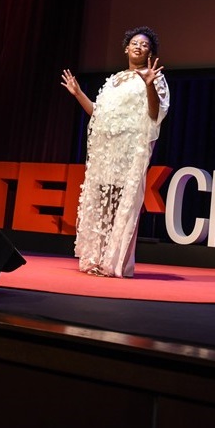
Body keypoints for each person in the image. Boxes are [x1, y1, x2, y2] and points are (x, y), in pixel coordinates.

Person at [61, 26, 170, 277]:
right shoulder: (114, 80)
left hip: (129, 150)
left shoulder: (154, 78)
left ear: (150, 52)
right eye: (134, 43)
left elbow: (154, 114)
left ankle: (114, 263)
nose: (139, 46)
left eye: (145, 44)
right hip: (107, 151)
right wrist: (78, 93)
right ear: (126, 48)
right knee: (103, 203)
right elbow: (98, 114)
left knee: (123, 203)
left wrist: (150, 85)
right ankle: (96, 259)